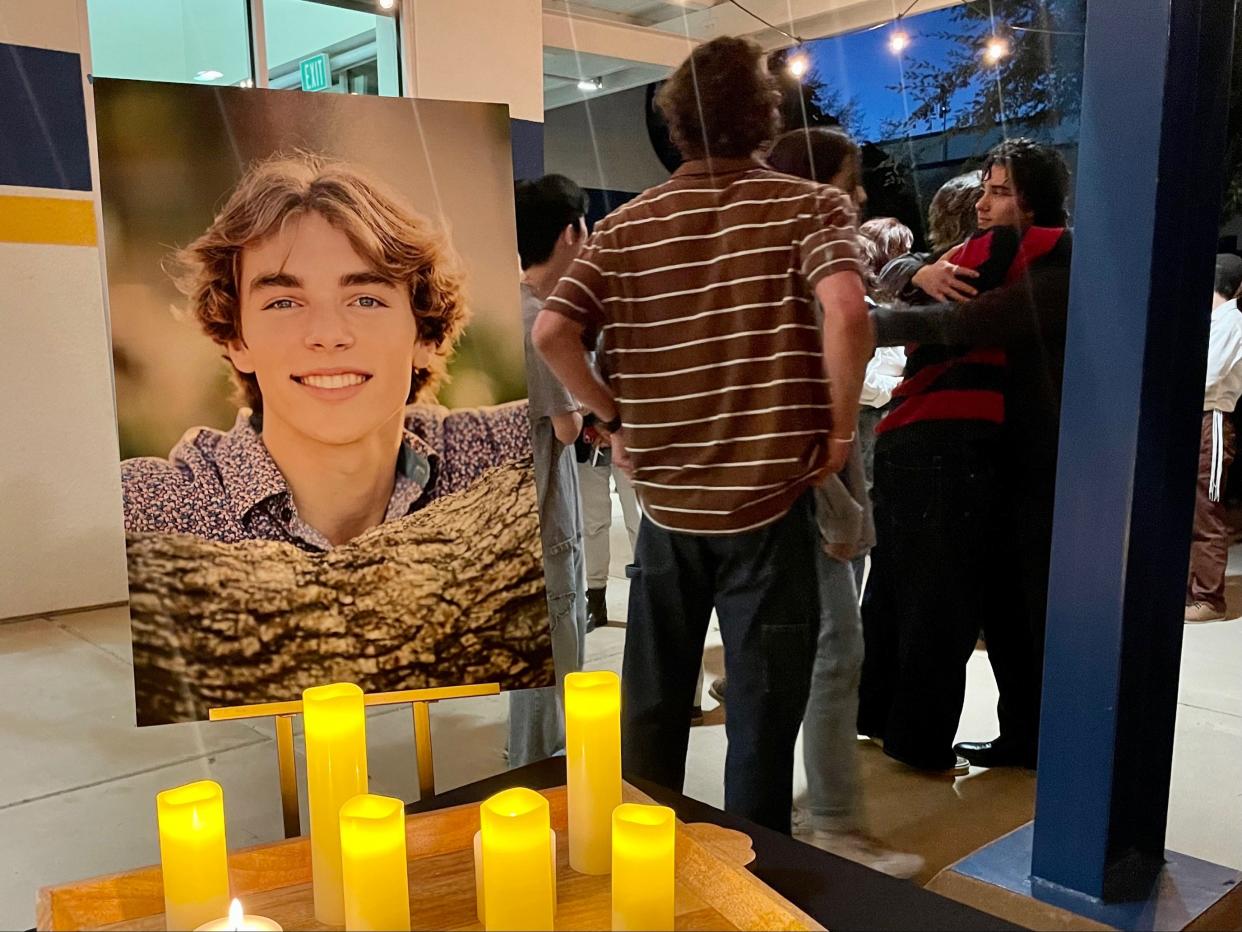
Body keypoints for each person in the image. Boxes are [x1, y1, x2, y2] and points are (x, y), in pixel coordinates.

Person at [533, 36, 871, 834]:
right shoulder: (805, 205)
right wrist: (841, 429)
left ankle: (650, 868)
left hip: (667, 505)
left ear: (674, 123)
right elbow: (850, 313)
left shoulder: (624, 227)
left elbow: (554, 334)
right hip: (767, 501)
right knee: (760, 713)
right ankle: (753, 879)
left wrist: (612, 415)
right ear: (764, 116)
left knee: (653, 705)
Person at [122, 153, 531, 548]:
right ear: (237, 340)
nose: (328, 334)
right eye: (284, 302)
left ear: (424, 336)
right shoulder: (151, 511)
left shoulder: (501, 457)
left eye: (365, 300)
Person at [867, 138, 1074, 770]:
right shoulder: (998, 254)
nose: (984, 203)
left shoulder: (1058, 260)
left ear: (1035, 198)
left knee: (1014, 607)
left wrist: (872, 322)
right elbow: (908, 269)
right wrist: (915, 272)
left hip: (1028, 453)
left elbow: (969, 324)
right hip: (987, 448)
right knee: (973, 600)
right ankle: (1008, 738)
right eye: (983, 189)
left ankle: (1017, 738)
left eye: (1001, 191)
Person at [764, 127, 921, 878]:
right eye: (849, 182)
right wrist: (834, 487)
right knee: (835, 649)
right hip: (803, 486)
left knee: (813, 650)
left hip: (796, 486)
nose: (858, 197)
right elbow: (797, 402)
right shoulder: (815, 270)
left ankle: (813, 811)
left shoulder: (777, 263)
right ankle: (833, 824)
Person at [507, 174, 591, 766]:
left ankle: (528, 760)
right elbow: (567, 426)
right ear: (570, 233)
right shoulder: (540, 321)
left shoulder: (499, 308)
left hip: (501, 519)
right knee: (555, 650)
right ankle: (537, 775)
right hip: (544, 515)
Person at [1185, 255, 1242, 622]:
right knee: (1191, 508)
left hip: (1212, 420)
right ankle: (1193, 589)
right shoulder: (1212, 322)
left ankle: (1209, 597)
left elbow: (1209, 376)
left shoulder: (1232, 322)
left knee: (1207, 507)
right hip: (1195, 417)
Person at [575, 364, 641, 630]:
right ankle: (596, 600)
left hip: (629, 433)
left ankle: (646, 597)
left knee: (638, 519)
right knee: (593, 524)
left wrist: (613, 427)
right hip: (588, 441)